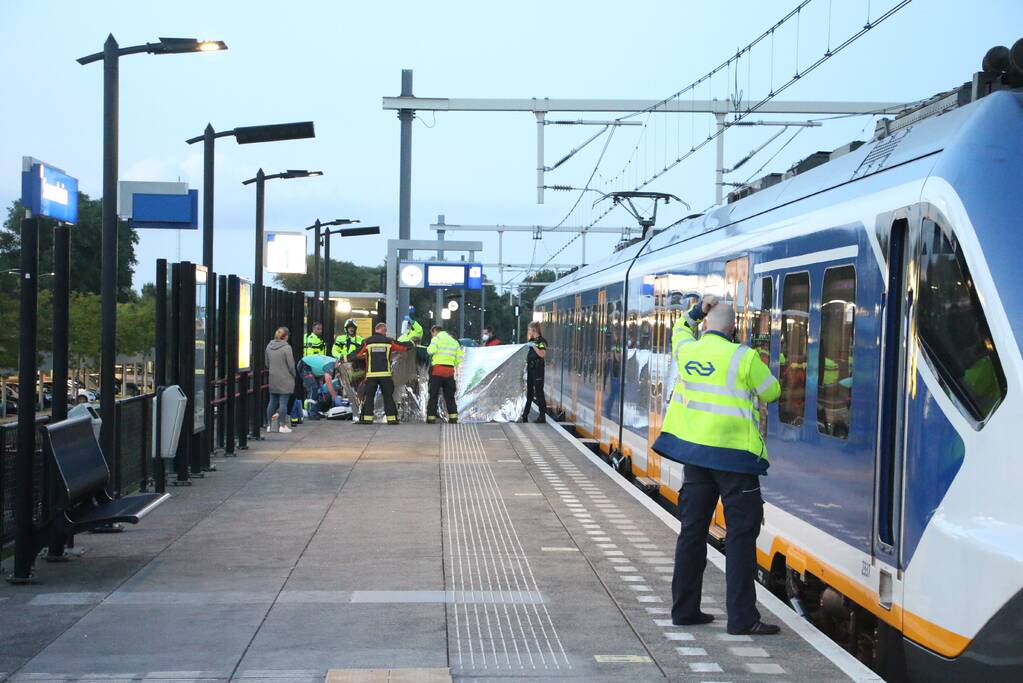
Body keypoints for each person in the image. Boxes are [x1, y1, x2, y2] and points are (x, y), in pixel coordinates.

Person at [652, 294, 782, 636]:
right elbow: (772, 393)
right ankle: (741, 619)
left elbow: (680, 329)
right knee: (740, 536)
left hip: (696, 458)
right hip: (736, 460)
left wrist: (697, 310)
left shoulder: (687, 350)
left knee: (691, 532)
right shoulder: (745, 357)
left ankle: (684, 611)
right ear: (735, 328)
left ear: (706, 325)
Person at [352, 322, 412, 424]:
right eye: (385, 331)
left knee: (369, 397)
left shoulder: (367, 342)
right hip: (385, 375)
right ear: (383, 330)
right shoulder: (388, 341)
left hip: (372, 376)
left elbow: (357, 353)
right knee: (388, 397)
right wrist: (412, 344)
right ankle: (392, 419)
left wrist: (342, 360)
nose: (386, 333)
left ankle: (367, 419)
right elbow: (402, 347)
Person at [426, 325, 464, 423]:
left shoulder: (436, 338)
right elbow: (459, 359)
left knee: (433, 395)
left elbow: (430, 351)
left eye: (432, 333)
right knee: (450, 396)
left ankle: (431, 418)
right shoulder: (454, 341)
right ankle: (453, 417)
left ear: (434, 331)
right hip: (449, 371)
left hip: (437, 370)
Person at [265, 326, 297, 433]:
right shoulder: (287, 348)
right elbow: (291, 365)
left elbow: (267, 363)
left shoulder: (269, 346)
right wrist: (293, 375)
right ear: (286, 336)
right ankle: (282, 425)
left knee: (272, 402)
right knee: (283, 403)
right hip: (285, 379)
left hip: (273, 377)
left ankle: (270, 425)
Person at [519, 321, 548, 423]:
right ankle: (525, 414)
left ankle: (542, 416)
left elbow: (542, 354)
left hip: (538, 370)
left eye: (529, 330)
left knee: (539, 392)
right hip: (531, 369)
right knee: (529, 393)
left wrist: (534, 346)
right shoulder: (532, 340)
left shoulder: (541, 341)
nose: (528, 331)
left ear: (534, 330)